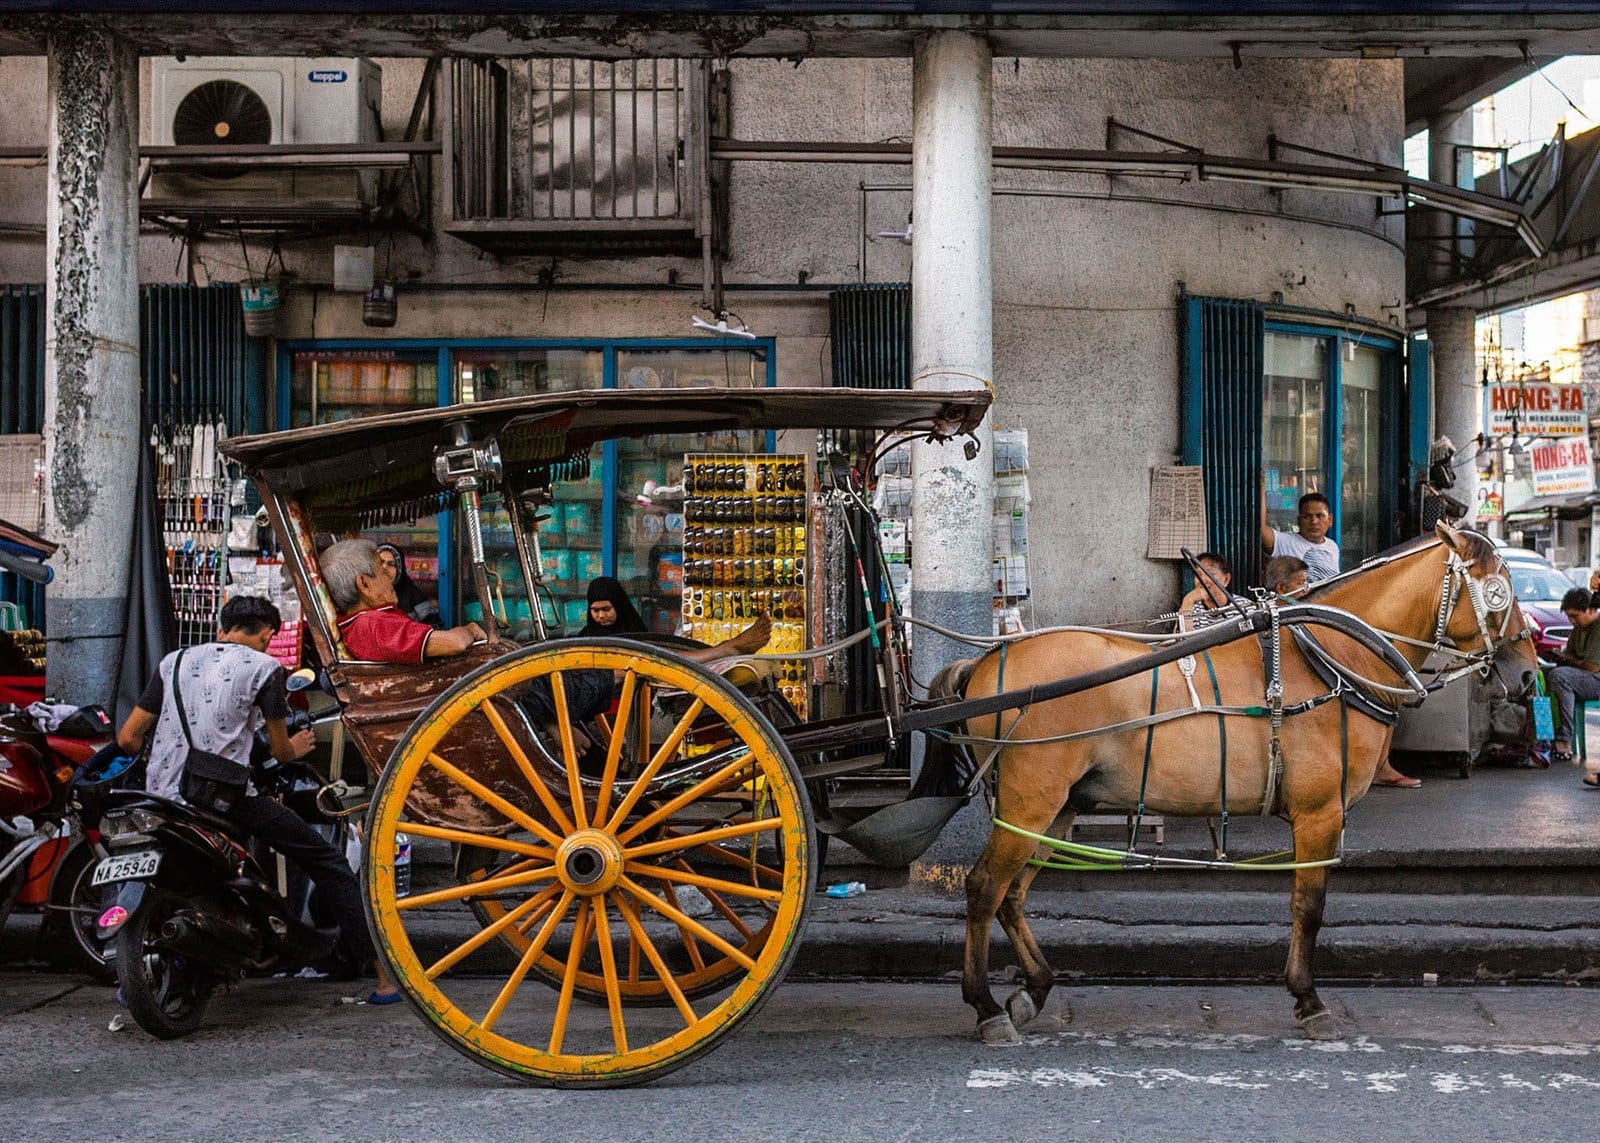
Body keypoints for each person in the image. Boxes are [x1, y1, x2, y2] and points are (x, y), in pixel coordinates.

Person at [114, 595, 399, 1002]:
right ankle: (385, 976)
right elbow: (281, 751)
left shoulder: (173, 661)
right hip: (224, 799)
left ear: (221, 629)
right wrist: (299, 748)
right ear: (268, 635)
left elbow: (127, 737)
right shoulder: (266, 670)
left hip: (163, 796)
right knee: (329, 864)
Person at [322, 538, 486, 663]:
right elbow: (455, 643)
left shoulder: (361, 624)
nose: (390, 578)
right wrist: (471, 630)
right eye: (382, 571)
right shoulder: (373, 624)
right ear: (364, 584)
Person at [1547, 589, 1600, 776]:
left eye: (1575, 616)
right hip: (1583, 675)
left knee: (1560, 676)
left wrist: (1570, 660)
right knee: (1550, 674)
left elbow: (1593, 666)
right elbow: (1570, 653)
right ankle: (1549, 734)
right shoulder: (1579, 628)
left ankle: (1564, 740)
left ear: (1590, 610)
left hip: (1596, 679)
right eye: (1569, 617)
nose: (1572, 621)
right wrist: (1561, 656)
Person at [1261, 488, 1340, 583]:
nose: (1314, 522)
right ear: (1298, 521)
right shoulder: (1284, 541)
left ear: (1330, 520)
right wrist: (1262, 486)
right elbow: (1261, 528)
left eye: (1320, 516)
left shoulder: (1332, 546)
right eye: (1307, 516)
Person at [376, 543, 440, 627]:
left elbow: (433, 628)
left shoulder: (414, 596)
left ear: (399, 569)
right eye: (380, 563)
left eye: (391, 564)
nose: (384, 568)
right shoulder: (361, 598)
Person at [1175, 552, 1239, 630]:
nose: (1202, 580)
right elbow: (1183, 640)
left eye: (1209, 574)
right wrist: (1187, 602)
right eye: (1198, 574)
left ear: (1226, 580)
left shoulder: (1245, 608)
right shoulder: (1192, 609)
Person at [581, 576, 647, 636]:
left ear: (619, 607)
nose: (601, 615)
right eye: (595, 610)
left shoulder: (638, 635)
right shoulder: (584, 637)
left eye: (606, 609)